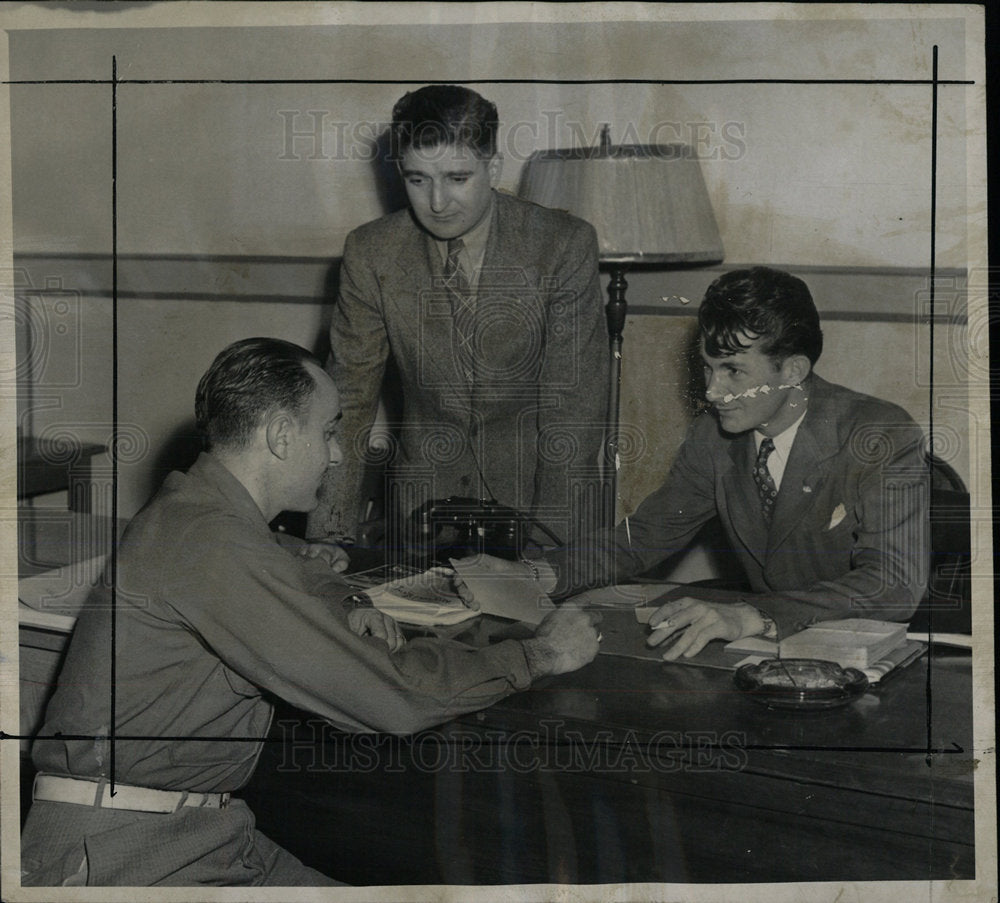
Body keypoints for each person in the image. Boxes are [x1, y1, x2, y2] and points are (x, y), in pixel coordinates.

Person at [20, 338, 599, 887]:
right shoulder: (213, 543)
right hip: (121, 853)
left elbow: (288, 560)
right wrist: (538, 655)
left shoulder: (196, 510)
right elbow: (394, 696)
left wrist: (344, 602)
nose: (339, 453)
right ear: (279, 436)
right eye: (328, 432)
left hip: (199, 832)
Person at [458, 267, 930, 657]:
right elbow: (644, 537)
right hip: (761, 655)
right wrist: (541, 573)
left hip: (866, 652)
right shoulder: (715, 437)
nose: (712, 391)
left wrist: (754, 614)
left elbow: (893, 584)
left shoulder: (880, 435)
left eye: (734, 371)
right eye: (707, 367)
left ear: (793, 371)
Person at [307, 84, 609, 557]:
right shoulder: (371, 252)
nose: (438, 202)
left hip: (535, 507)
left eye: (458, 178)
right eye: (417, 180)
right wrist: (330, 532)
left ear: (494, 166)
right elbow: (348, 399)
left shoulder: (561, 245)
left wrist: (548, 552)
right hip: (421, 509)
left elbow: (573, 411)